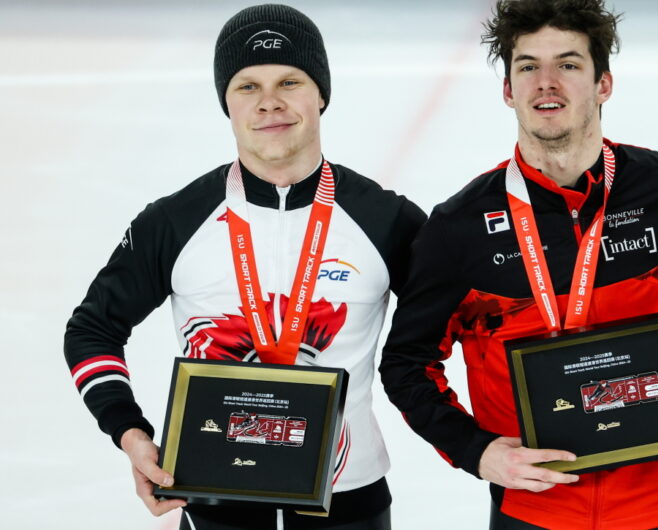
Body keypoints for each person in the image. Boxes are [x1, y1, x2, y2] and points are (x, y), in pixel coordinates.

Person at [63, 4, 425, 529]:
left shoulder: (386, 219)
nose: (270, 103)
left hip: (347, 500)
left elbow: (460, 326)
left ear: (321, 92)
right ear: (226, 103)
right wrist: (132, 434)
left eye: (290, 81)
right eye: (247, 86)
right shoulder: (175, 221)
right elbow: (92, 329)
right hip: (216, 499)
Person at [379, 0, 658, 528]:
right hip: (531, 513)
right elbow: (406, 364)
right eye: (528, 67)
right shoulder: (459, 227)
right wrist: (477, 451)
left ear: (603, 84)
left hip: (656, 508)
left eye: (568, 65)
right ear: (507, 90)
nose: (547, 82)